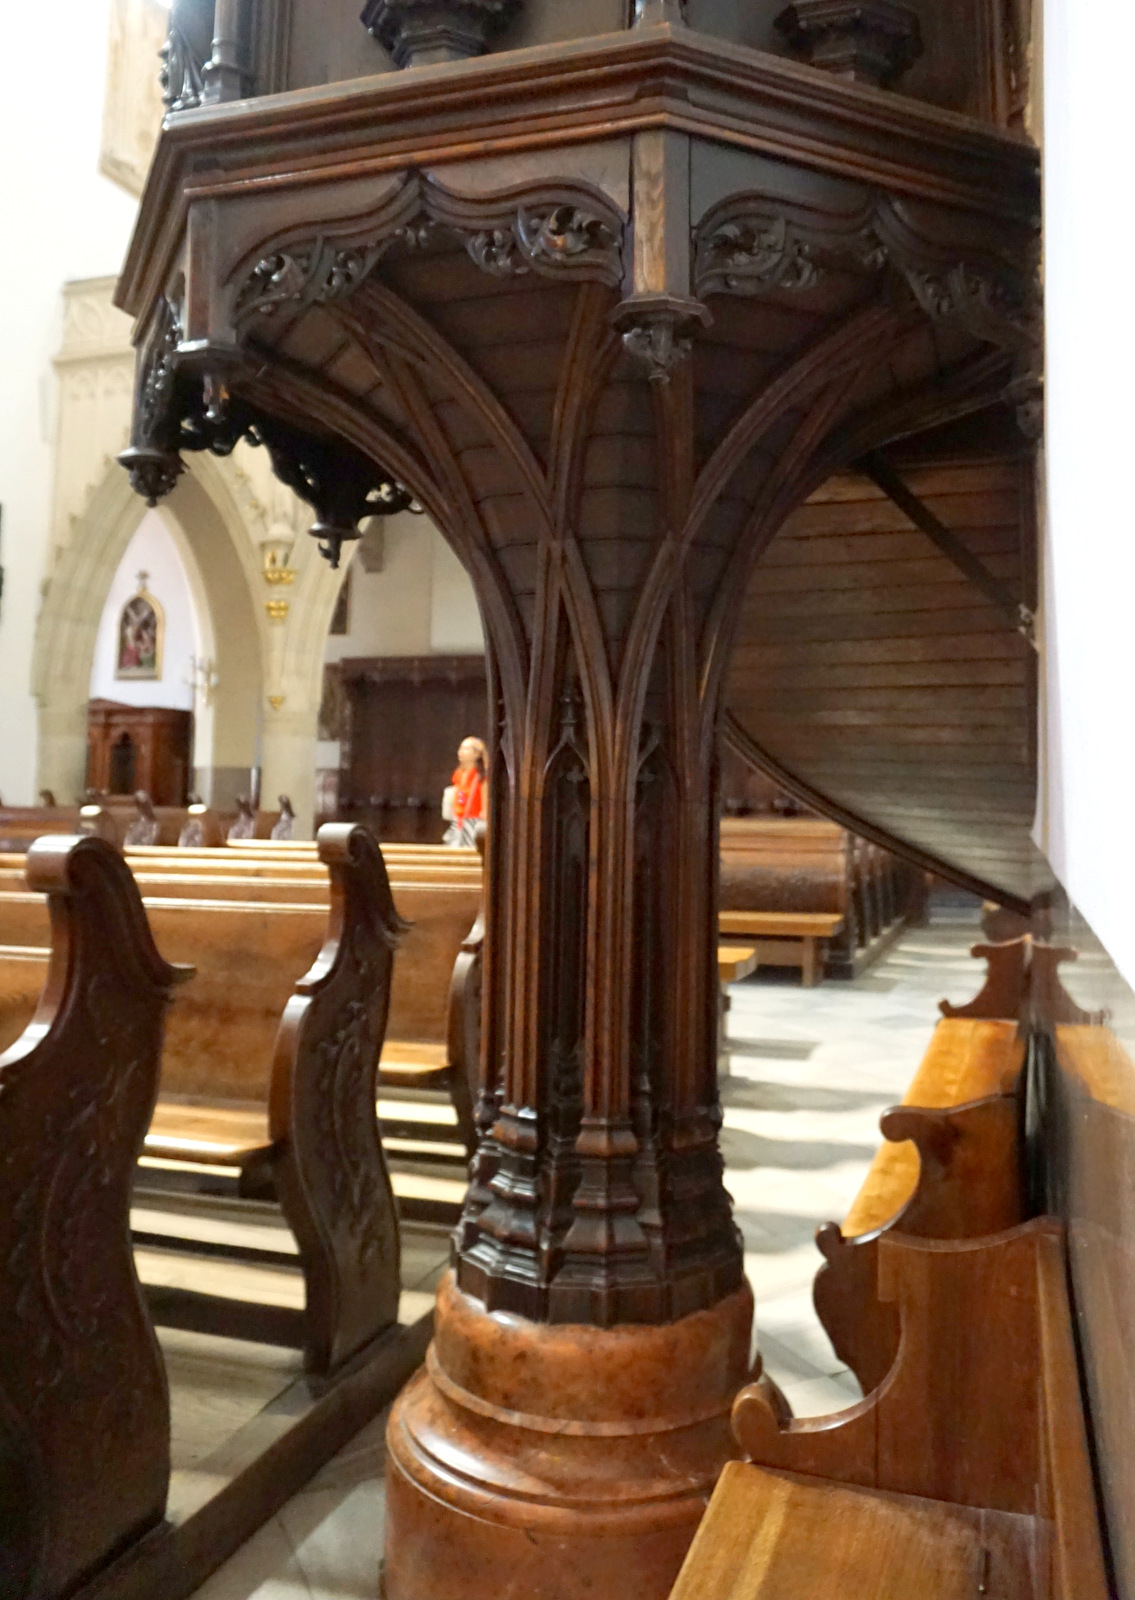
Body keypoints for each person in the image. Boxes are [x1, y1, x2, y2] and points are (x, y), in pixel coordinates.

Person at [443, 736, 486, 847]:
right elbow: (459, 797)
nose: (461, 752)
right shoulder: (459, 774)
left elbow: (485, 808)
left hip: (474, 822)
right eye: (461, 748)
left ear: (477, 753)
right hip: (458, 822)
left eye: (466, 748)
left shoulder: (481, 777)